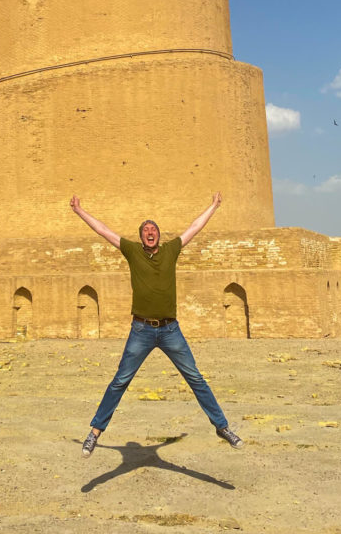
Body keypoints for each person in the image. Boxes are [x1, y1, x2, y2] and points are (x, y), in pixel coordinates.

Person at [70, 192, 243, 457]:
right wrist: (80, 212)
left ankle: (222, 427)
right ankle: (94, 433)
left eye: (154, 229)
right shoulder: (131, 251)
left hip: (170, 330)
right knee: (120, 381)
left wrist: (213, 207)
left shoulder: (171, 250)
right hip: (141, 330)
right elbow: (104, 230)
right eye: (146, 230)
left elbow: (194, 228)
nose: (150, 232)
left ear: (158, 235)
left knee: (195, 378)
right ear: (141, 237)